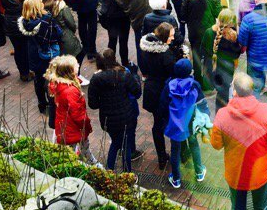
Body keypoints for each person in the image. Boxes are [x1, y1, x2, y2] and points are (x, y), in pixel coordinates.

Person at [210, 73, 267, 210]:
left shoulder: (222, 115)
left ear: (234, 91)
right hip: (259, 171)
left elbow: (216, 144)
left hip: (236, 173)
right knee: (261, 208)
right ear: (252, 90)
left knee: (238, 208)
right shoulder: (266, 110)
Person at [87, 49, 143, 172]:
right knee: (125, 146)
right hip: (126, 117)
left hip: (108, 119)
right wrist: (135, 76)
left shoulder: (96, 79)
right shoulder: (124, 74)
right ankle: (127, 174)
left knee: (116, 143)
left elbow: (93, 104)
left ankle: (110, 171)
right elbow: (137, 92)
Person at [140, 21, 184, 170]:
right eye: (171, 36)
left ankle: (161, 157)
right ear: (164, 36)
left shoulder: (147, 48)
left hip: (151, 91)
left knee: (157, 125)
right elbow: (174, 71)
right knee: (171, 124)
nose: (172, 38)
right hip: (164, 93)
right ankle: (176, 155)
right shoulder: (165, 55)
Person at [160, 58, 208, 188]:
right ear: (189, 71)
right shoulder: (195, 85)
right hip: (191, 122)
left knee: (175, 150)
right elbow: (202, 103)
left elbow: (163, 106)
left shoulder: (169, 85)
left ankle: (176, 179)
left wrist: (165, 121)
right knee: (194, 144)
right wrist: (206, 116)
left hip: (175, 125)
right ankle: (199, 172)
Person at [45, 55, 96, 164]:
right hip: (73, 129)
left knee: (72, 153)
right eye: (75, 65)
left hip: (65, 126)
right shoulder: (70, 91)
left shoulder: (60, 85)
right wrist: (86, 125)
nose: (78, 66)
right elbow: (78, 115)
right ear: (69, 71)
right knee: (76, 157)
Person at [18, 0, 62, 114]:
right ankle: (53, 103)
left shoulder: (24, 23)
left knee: (38, 80)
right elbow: (58, 34)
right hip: (47, 54)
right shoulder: (46, 21)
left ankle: (42, 104)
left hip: (33, 55)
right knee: (50, 79)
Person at [182, 0, 223, 90]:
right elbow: (218, 14)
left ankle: (197, 82)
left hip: (194, 31)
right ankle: (208, 84)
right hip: (208, 32)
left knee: (196, 56)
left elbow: (183, 16)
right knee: (209, 56)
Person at [114, 0, 160, 68]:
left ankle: (143, 71)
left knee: (140, 45)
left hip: (135, 21)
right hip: (149, 18)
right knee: (155, 44)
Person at [44, 0, 85, 82]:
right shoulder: (62, 7)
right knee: (78, 54)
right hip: (67, 37)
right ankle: (76, 76)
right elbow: (71, 24)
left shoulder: (45, 7)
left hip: (55, 39)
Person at [202, 8, 242, 111]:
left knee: (216, 88)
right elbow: (236, 55)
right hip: (226, 70)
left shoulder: (209, 32)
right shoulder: (233, 36)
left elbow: (203, 50)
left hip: (212, 67)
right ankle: (222, 116)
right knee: (223, 95)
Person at [98, 0, 130, 66]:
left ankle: (110, 62)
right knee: (123, 42)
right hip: (122, 18)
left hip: (110, 18)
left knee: (112, 41)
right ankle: (125, 62)